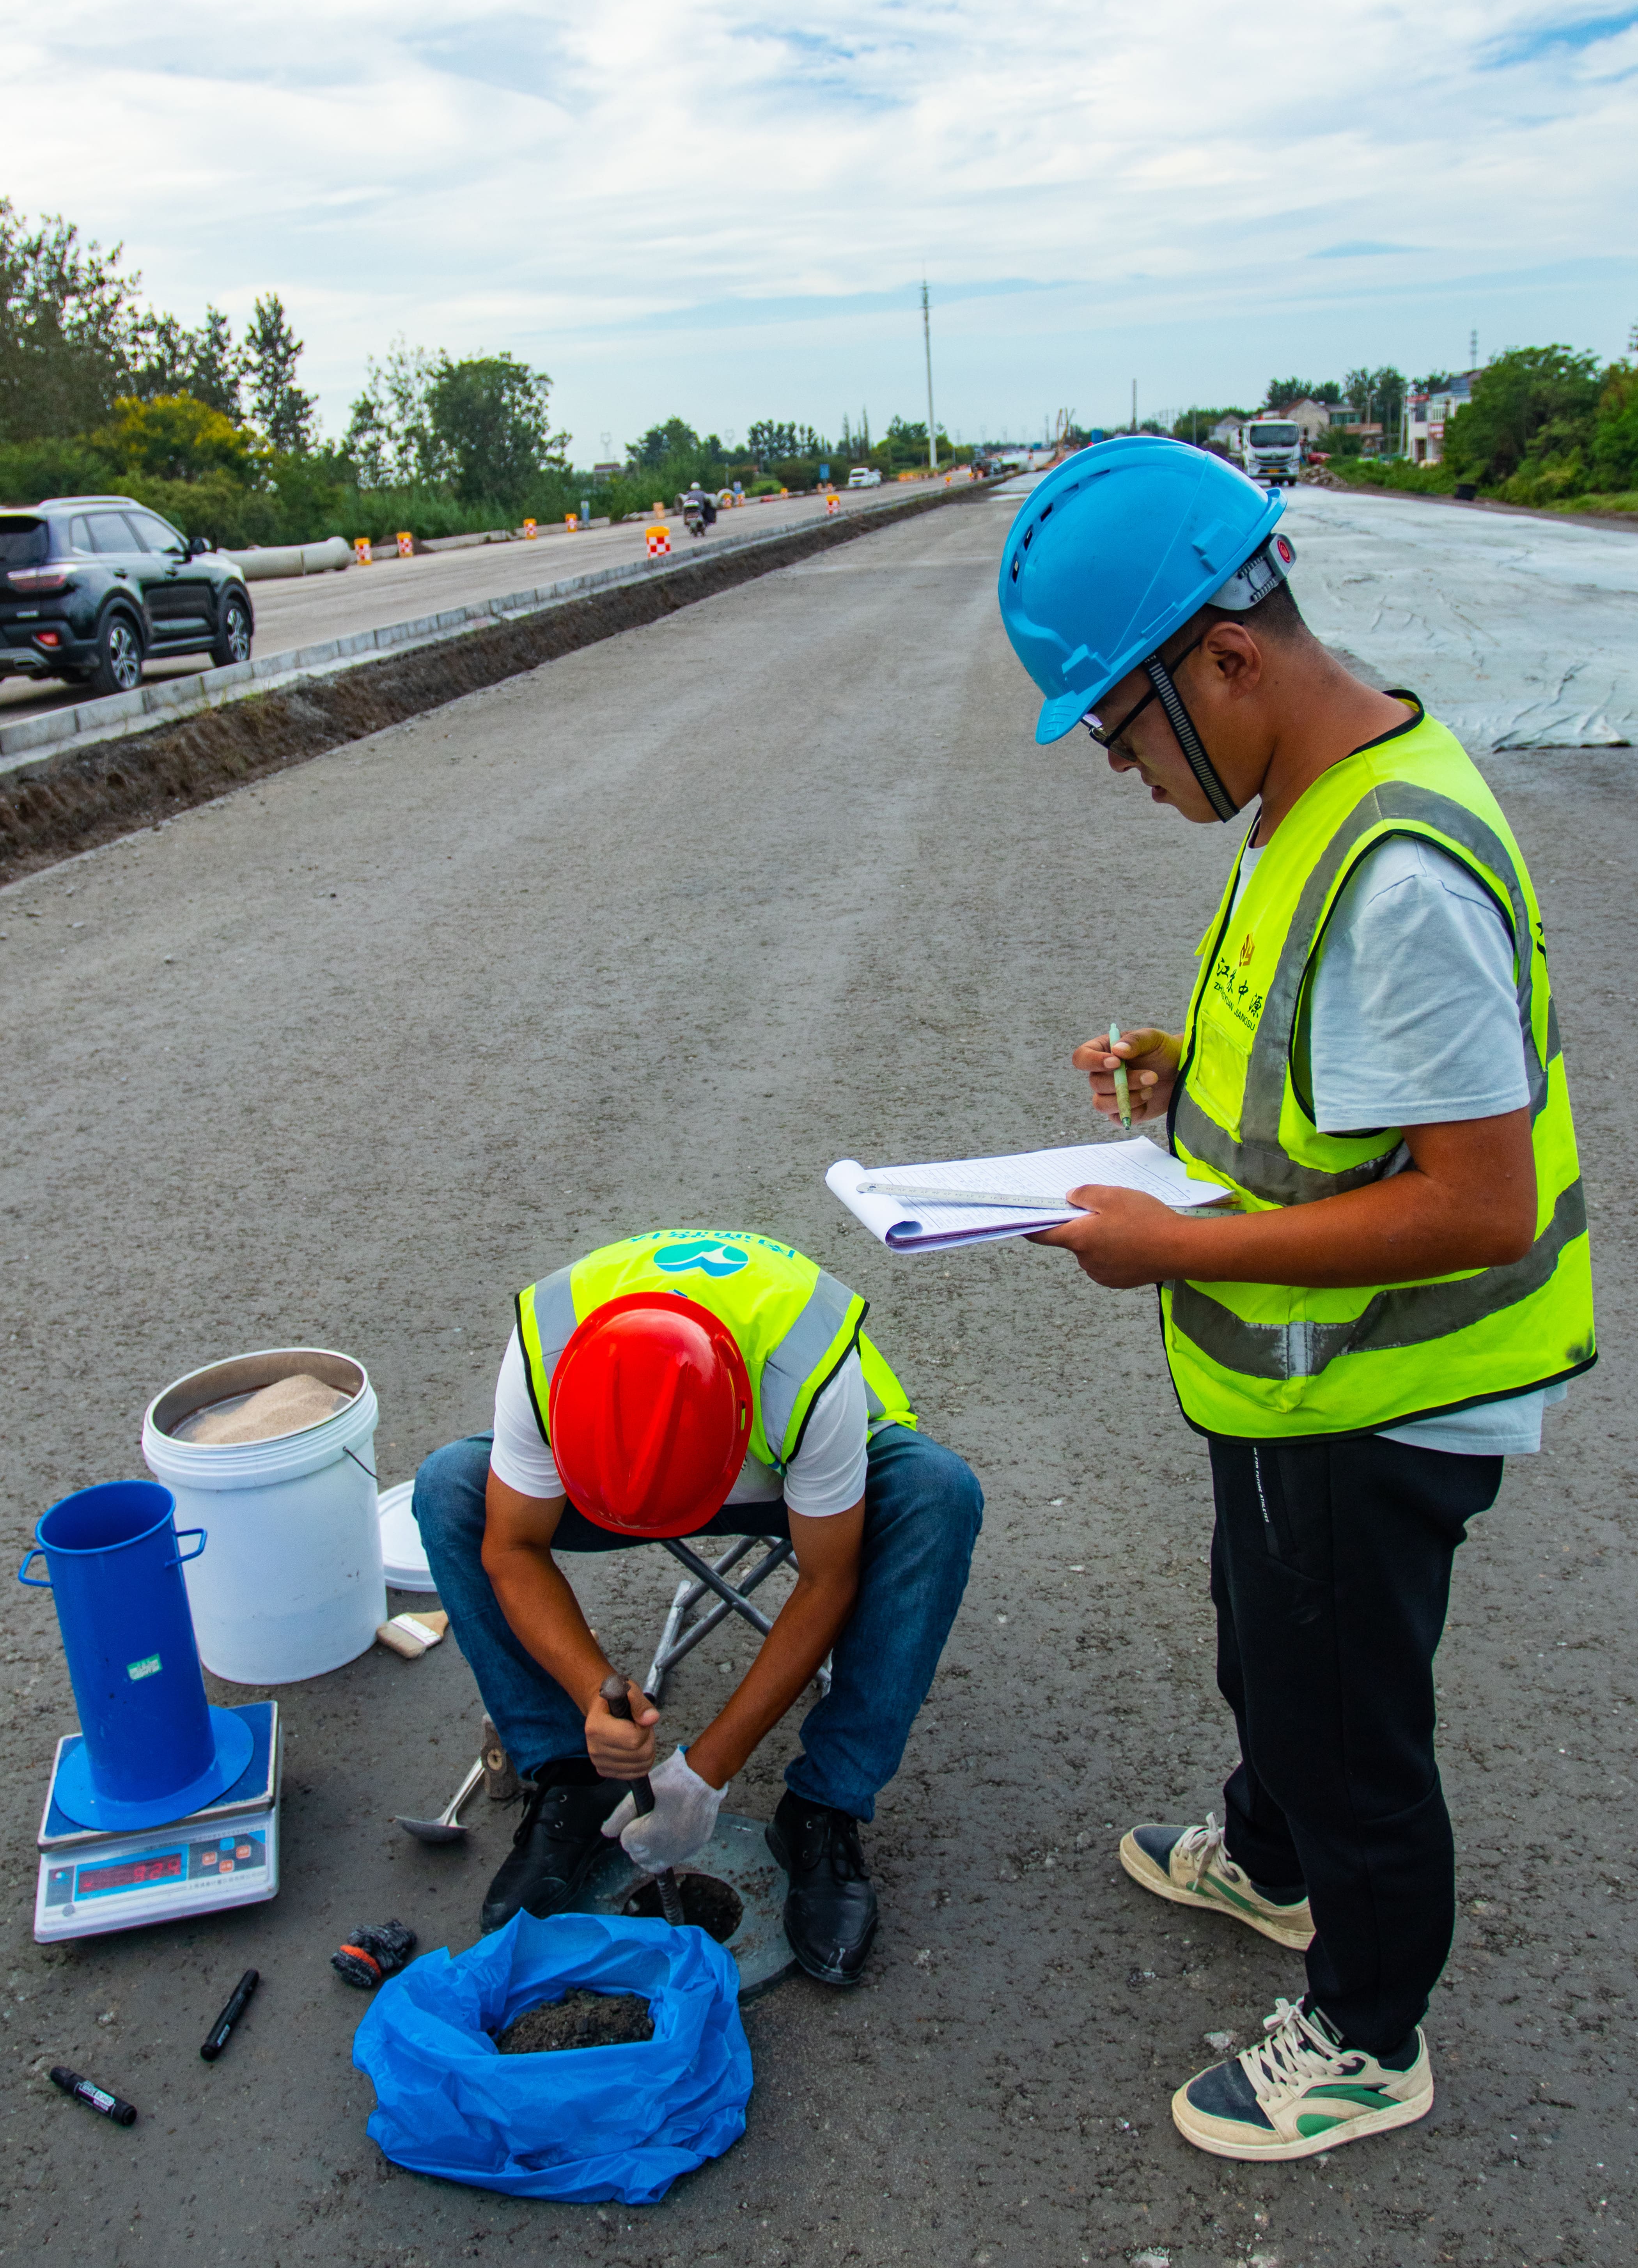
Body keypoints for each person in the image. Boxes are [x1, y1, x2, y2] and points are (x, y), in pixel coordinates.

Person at [996, 438, 1593, 2163]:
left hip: (1377, 1401)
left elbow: (1475, 1202)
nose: (1120, 769)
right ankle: (1267, 1862)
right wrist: (1180, 1066)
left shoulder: (1398, 876)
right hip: (1292, 1389)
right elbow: (1341, 1087)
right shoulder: (1309, 806)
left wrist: (1167, 1244)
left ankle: (1366, 2028)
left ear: (1227, 659)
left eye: (1120, 728)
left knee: (1350, 1725)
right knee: (1270, 1648)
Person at [414, 1227, 982, 1986]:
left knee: (935, 1493)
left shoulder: (802, 1365)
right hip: (607, 1478)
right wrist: (594, 1692)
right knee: (451, 1487)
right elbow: (512, 1546)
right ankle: (571, 1783)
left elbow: (826, 1578)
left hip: (786, 1481)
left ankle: (823, 1807)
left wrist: (705, 1771)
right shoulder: (546, 1356)